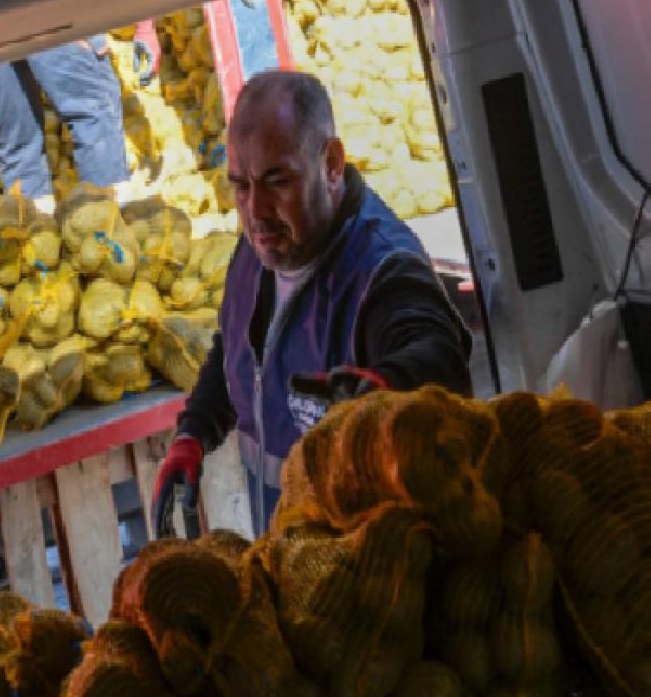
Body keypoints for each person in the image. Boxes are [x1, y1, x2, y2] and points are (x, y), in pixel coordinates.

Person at [151, 71, 473, 537]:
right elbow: (237, 350)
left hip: (368, 559)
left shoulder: (381, 267)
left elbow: (434, 349)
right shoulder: (256, 251)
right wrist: (194, 432)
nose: (256, 211)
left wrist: (387, 385)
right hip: (286, 546)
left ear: (332, 164)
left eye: (277, 181)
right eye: (241, 186)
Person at [0, 33, 137, 214]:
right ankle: (108, 219)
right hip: (46, 21)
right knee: (93, 113)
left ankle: (33, 224)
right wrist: (145, 28)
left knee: (18, 145)